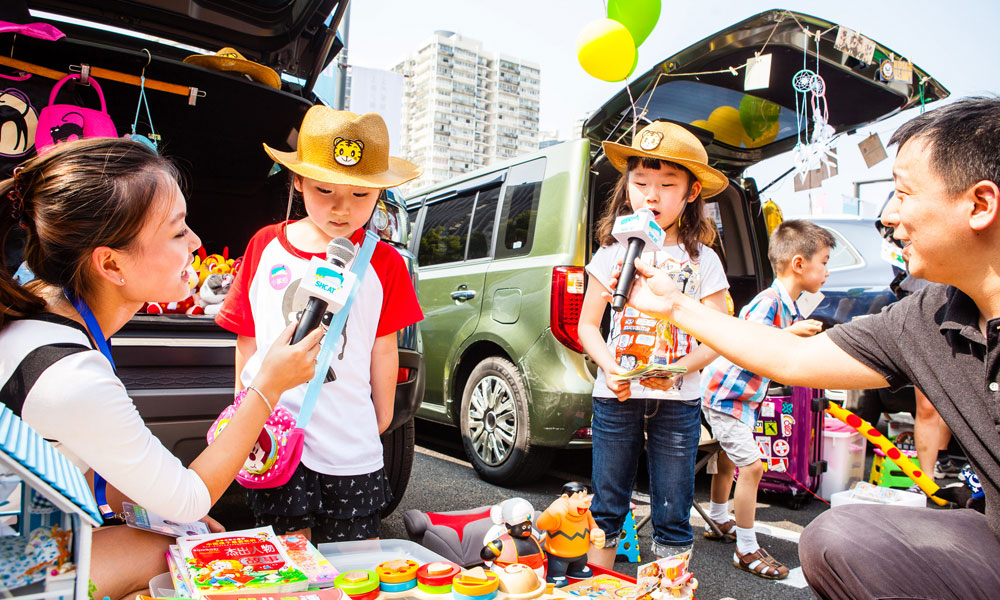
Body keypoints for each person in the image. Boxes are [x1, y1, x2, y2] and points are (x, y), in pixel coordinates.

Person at [604, 97, 1000, 599]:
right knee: (834, 535)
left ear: (980, 204)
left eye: (903, 193)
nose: (889, 216)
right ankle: (730, 526)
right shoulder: (929, 316)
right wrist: (675, 304)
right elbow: (793, 360)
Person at [0, 138, 324, 600]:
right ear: (110, 263)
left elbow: (87, 468)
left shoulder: (40, 311)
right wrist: (267, 385)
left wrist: (165, 513)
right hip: (12, 569)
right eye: (176, 232)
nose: (195, 242)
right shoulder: (69, 376)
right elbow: (191, 496)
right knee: (178, 556)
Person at [215, 107, 423, 543]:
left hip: (350, 444)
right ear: (298, 181)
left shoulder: (384, 262)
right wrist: (244, 408)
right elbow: (247, 336)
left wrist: (383, 414)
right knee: (288, 562)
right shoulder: (266, 245)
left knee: (355, 563)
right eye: (325, 190)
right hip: (273, 436)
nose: (341, 209)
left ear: (380, 194)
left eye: (361, 196)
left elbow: (384, 347)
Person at [577, 121, 731, 566]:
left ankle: (668, 589)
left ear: (691, 193)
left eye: (667, 184)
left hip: (678, 400)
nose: (652, 195)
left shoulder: (703, 258)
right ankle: (597, 593)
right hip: (615, 395)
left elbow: (718, 333)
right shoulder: (610, 251)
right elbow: (589, 325)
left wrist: (680, 368)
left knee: (673, 512)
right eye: (640, 182)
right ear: (626, 187)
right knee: (606, 508)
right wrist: (611, 367)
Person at [700, 219, 832, 580]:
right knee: (753, 467)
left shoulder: (788, 304)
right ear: (799, 264)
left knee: (729, 460)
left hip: (741, 398)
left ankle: (719, 518)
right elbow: (749, 342)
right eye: (824, 262)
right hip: (725, 396)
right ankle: (745, 547)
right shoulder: (769, 301)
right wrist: (790, 334)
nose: (827, 272)